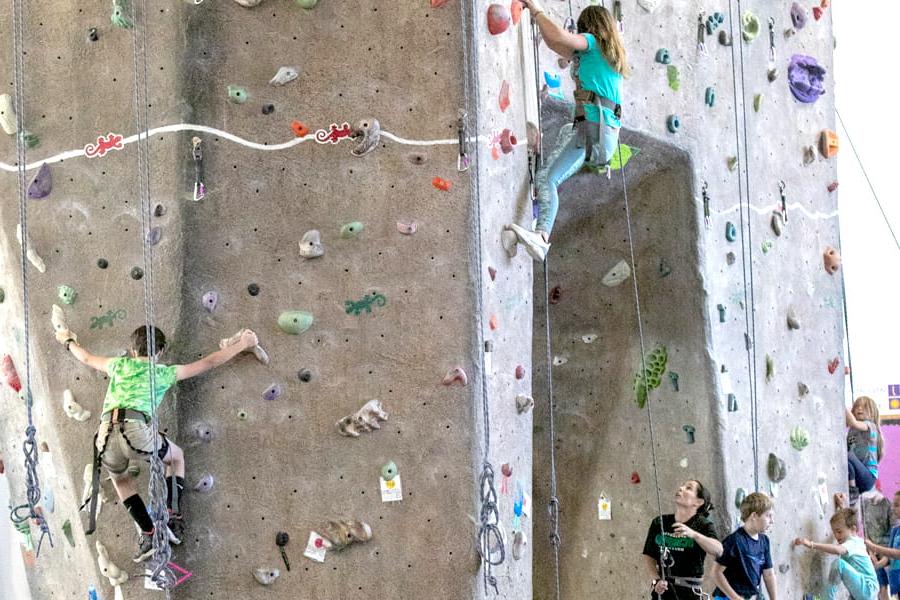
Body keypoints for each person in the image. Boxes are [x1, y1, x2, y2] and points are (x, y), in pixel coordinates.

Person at [56, 323, 259, 562]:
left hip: (104, 435)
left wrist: (68, 341)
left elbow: (87, 358)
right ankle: (172, 518)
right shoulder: (163, 373)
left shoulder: (118, 365)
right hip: (135, 429)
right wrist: (242, 344)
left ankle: (148, 533)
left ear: (132, 350)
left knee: (120, 480)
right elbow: (209, 362)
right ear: (160, 352)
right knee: (175, 458)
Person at [505, 0, 628, 262]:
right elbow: (555, 42)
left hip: (593, 131)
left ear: (592, 27)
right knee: (562, 133)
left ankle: (541, 237)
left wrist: (535, 7)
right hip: (601, 136)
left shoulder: (593, 43)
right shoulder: (602, 57)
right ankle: (523, 235)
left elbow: (561, 36)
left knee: (547, 179)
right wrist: (537, 20)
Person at [642, 480, 723, 599]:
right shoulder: (659, 522)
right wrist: (656, 579)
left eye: (688, 488)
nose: (681, 488)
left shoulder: (703, 525)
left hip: (689, 593)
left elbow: (718, 550)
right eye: (682, 486)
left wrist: (694, 535)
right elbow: (649, 556)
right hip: (664, 590)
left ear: (698, 502)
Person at [794, 493, 878, 600]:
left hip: (868, 589)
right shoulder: (853, 538)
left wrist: (811, 544)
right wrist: (841, 506)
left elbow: (837, 550)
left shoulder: (853, 542)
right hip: (866, 593)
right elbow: (847, 523)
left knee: (839, 564)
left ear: (852, 529)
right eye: (834, 532)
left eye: (839, 532)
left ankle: (826, 599)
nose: (836, 536)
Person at [712, 492, 778, 600]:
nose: (772, 521)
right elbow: (716, 573)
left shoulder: (764, 541)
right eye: (768, 516)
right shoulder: (734, 541)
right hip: (727, 598)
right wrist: (735, 598)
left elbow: (769, 574)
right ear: (754, 516)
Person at [846, 396, 885, 504]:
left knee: (847, 455)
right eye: (857, 406)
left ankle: (853, 491)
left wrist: (842, 406)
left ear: (872, 413)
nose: (859, 409)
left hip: (868, 477)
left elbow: (853, 422)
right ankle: (852, 489)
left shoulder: (870, 426)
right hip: (857, 477)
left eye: (864, 407)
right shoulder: (851, 431)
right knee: (845, 457)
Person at [865, 491, 900, 599]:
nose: (893, 508)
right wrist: (875, 566)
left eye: (897, 505)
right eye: (893, 504)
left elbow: (897, 554)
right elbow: (889, 557)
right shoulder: (895, 531)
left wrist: (874, 547)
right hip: (895, 581)